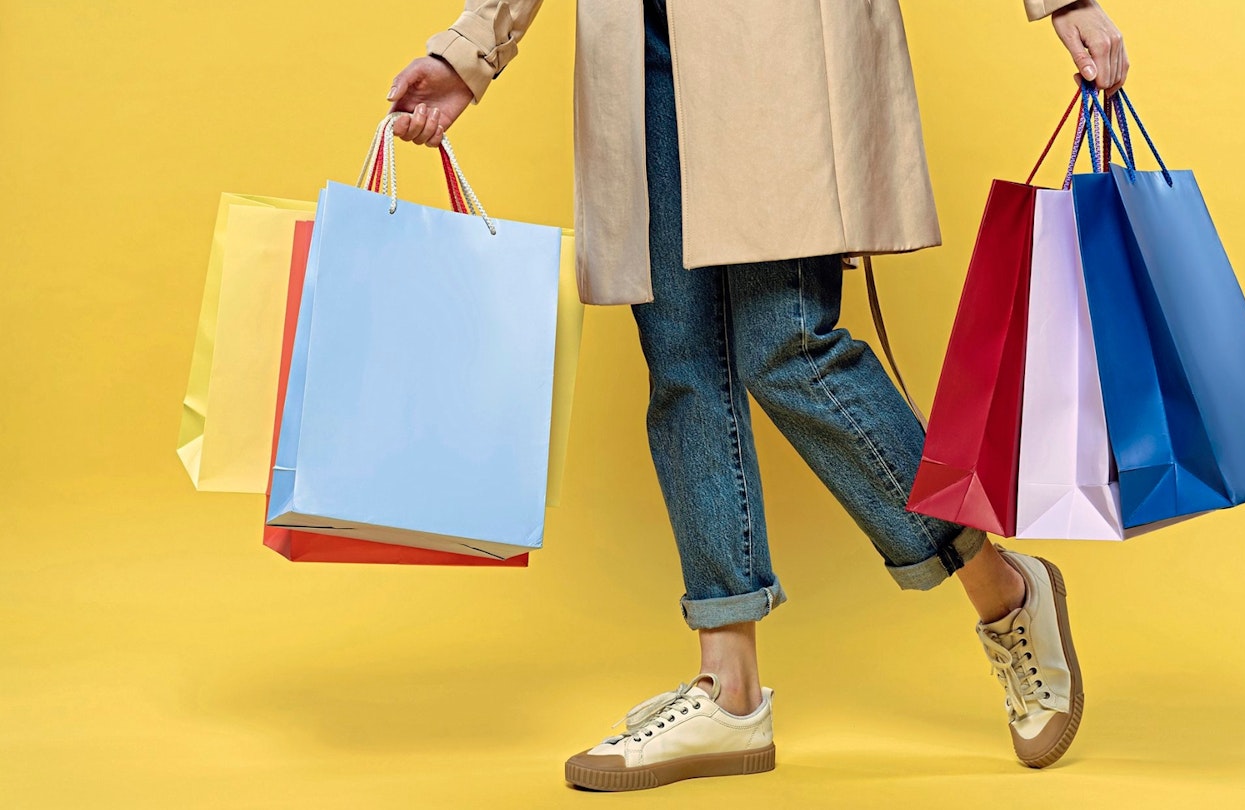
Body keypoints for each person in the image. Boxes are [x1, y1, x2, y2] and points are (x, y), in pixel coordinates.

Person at [387, 0, 1128, 792]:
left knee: (791, 349)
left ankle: (1003, 589)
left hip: (778, 39)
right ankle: (729, 689)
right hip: (640, 49)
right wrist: (473, 52)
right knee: (682, 364)